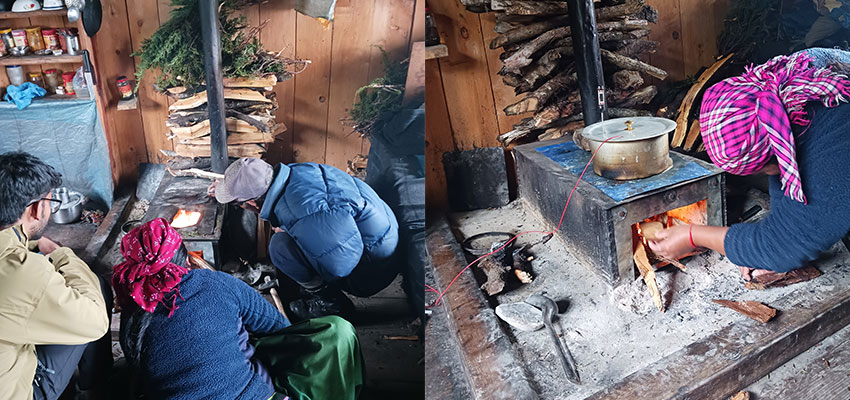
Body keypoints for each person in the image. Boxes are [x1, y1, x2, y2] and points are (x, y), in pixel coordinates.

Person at [649, 48, 850, 279]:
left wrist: (692, 235)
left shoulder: (832, 147)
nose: (767, 173)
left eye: (762, 168)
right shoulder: (779, 94)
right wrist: (754, 251)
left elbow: (785, 246)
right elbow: (784, 170)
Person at [114, 218, 363, 400]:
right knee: (337, 332)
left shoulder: (131, 309)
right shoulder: (214, 282)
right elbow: (278, 327)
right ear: (184, 254)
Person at [211, 158, 400, 320]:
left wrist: (292, 238)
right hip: (385, 240)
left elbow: (341, 265)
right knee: (287, 236)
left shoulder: (300, 210)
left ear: (252, 201)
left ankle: (332, 305)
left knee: (280, 248)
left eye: (238, 204)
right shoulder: (297, 172)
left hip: (372, 271)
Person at [0, 152, 111, 400]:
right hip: (16, 391)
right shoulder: (25, 272)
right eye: (51, 202)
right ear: (38, 209)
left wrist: (29, 244)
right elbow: (96, 322)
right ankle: (94, 389)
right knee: (95, 292)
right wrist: (63, 255)